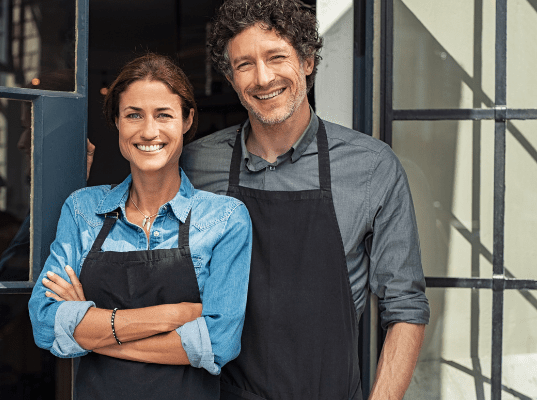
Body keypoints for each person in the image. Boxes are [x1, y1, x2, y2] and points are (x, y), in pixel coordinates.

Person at [180, 1, 430, 399]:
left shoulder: (370, 167)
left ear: (308, 60)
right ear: (230, 77)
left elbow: (406, 308)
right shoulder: (195, 164)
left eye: (276, 57)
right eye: (245, 64)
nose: (263, 78)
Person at [28, 53, 252, 400]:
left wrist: (91, 334)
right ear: (116, 121)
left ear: (187, 120)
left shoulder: (224, 219)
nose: (149, 131)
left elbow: (218, 343)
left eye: (164, 115)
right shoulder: (83, 210)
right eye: (134, 115)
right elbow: (45, 323)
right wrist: (172, 315)